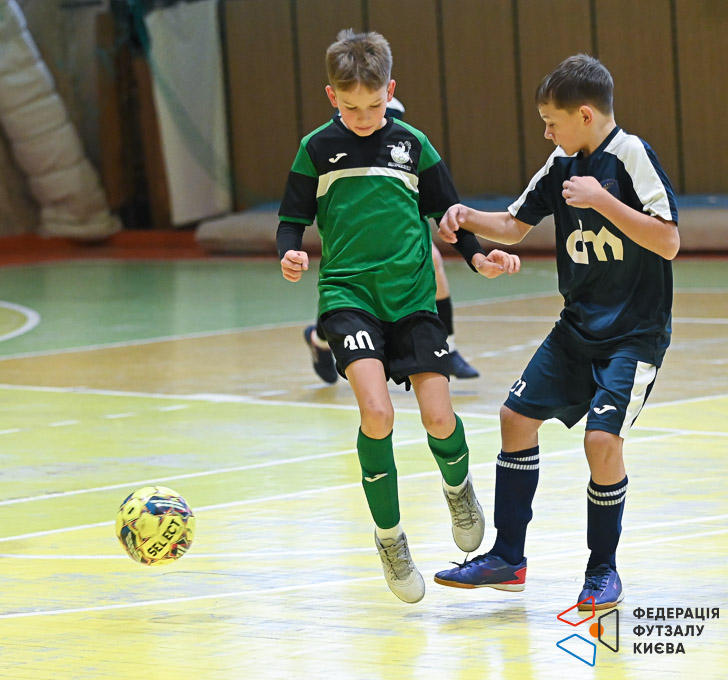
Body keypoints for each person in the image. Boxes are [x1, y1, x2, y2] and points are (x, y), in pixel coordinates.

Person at [278, 29, 520, 603]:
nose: (364, 118)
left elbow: (447, 213)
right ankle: (390, 538)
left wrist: (477, 258)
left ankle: (459, 489)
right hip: (348, 297)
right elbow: (292, 217)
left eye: (374, 105)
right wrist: (289, 252)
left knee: (438, 417)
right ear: (332, 96)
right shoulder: (315, 149)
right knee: (378, 413)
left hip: (411, 299)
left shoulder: (413, 145)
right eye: (351, 107)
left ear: (390, 91)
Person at [433, 54, 679, 610]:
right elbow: (513, 225)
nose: (546, 132)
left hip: (633, 335)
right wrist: (465, 216)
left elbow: (668, 241)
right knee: (514, 418)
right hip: (576, 327)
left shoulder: (632, 156)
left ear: (585, 115)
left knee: (601, 441)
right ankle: (508, 558)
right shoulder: (561, 163)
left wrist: (603, 201)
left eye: (551, 121)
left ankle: (602, 570)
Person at [303, 98, 480, 385]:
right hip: (354, 238)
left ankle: (448, 346)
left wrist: (475, 254)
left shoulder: (403, 141)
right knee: (349, 286)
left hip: (396, 233)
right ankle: (319, 339)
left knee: (432, 260)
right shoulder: (332, 148)